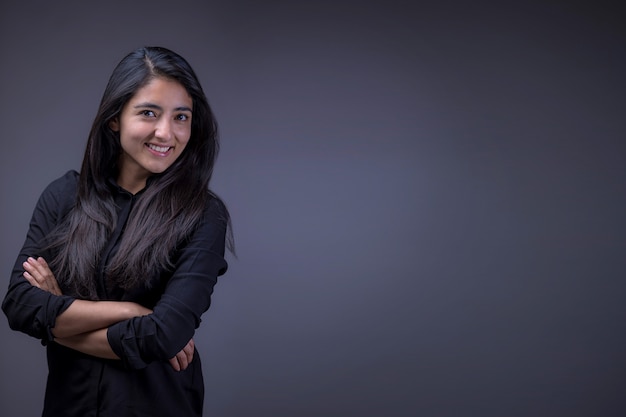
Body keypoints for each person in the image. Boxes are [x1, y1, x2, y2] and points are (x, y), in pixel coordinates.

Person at [2, 46, 234, 417]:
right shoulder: (64, 196)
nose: (167, 132)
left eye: (181, 117)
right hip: (70, 406)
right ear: (115, 118)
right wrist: (129, 310)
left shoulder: (203, 214)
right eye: (148, 113)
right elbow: (19, 304)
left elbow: (163, 335)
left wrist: (58, 315)